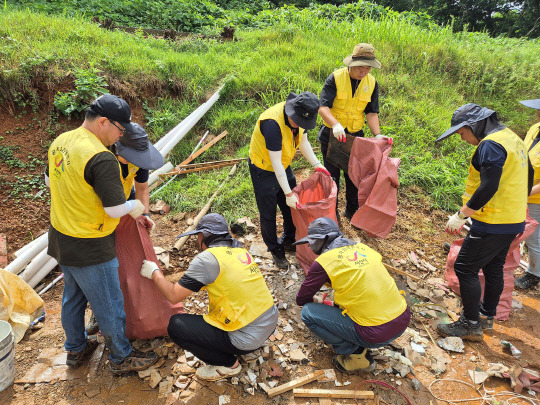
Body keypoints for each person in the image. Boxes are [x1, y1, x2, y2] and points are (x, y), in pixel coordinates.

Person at [47, 94, 158, 373]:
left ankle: (75, 349)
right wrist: (136, 207)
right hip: (90, 242)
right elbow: (114, 208)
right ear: (104, 122)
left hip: (61, 234)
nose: (120, 136)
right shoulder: (101, 156)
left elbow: (50, 180)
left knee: (73, 296)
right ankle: (121, 357)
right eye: (120, 130)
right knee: (109, 302)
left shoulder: (62, 141)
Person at [140, 214, 278, 381]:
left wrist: (154, 273)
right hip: (269, 323)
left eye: (198, 236)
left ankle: (228, 365)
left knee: (176, 326)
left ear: (203, 236)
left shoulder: (207, 259)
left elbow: (173, 295)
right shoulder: (239, 251)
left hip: (247, 338)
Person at [435, 103, 531, 340]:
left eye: (461, 133)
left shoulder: (490, 145)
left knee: (465, 268)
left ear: (473, 125)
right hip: (513, 218)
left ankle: (470, 324)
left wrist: (462, 214)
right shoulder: (512, 138)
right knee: (493, 266)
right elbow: (528, 178)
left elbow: (489, 185)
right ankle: (487, 315)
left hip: (493, 220)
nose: (462, 138)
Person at [294, 217, 410, 373]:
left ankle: (356, 355)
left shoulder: (325, 261)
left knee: (308, 313)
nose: (308, 245)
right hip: (401, 320)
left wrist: (317, 300)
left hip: (377, 333)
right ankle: (360, 339)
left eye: (312, 241)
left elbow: (301, 299)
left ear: (324, 239)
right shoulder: (363, 248)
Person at [85, 122, 165, 335]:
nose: (137, 162)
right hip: (98, 212)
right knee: (105, 264)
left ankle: (139, 308)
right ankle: (99, 312)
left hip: (127, 206)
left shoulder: (140, 160)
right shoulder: (102, 158)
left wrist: (144, 213)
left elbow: (142, 188)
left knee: (133, 258)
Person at [248, 91, 330, 269]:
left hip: (283, 165)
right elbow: (275, 163)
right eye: (299, 122)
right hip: (264, 169)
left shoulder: (302, 115)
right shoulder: (272, 124)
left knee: (291, 208)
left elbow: (303, 142)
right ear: (291, 112)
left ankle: (289, 239)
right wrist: (287, 192)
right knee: (268, 214)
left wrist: (317, 164)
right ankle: (276, 251)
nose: (301, 125)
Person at [318, 43, 389, 220]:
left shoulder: (371, 83)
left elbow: (371, 112)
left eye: (368, 68)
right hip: (333, 136)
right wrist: (335, 124)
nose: (364, 72)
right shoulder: (335, 78)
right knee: (332, 178)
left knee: (354, 177)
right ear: (352, 63)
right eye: (361, 67)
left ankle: (352, 210)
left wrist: (377, 135)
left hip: (356, 136)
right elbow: (322, 106)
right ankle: (331, 214)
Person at [515, 98, 540, 290]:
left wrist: (526, 193)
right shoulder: (534, 129)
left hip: (536, 198)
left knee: (533, 236)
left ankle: (534, 274)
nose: (538, 115)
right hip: (520, 190)